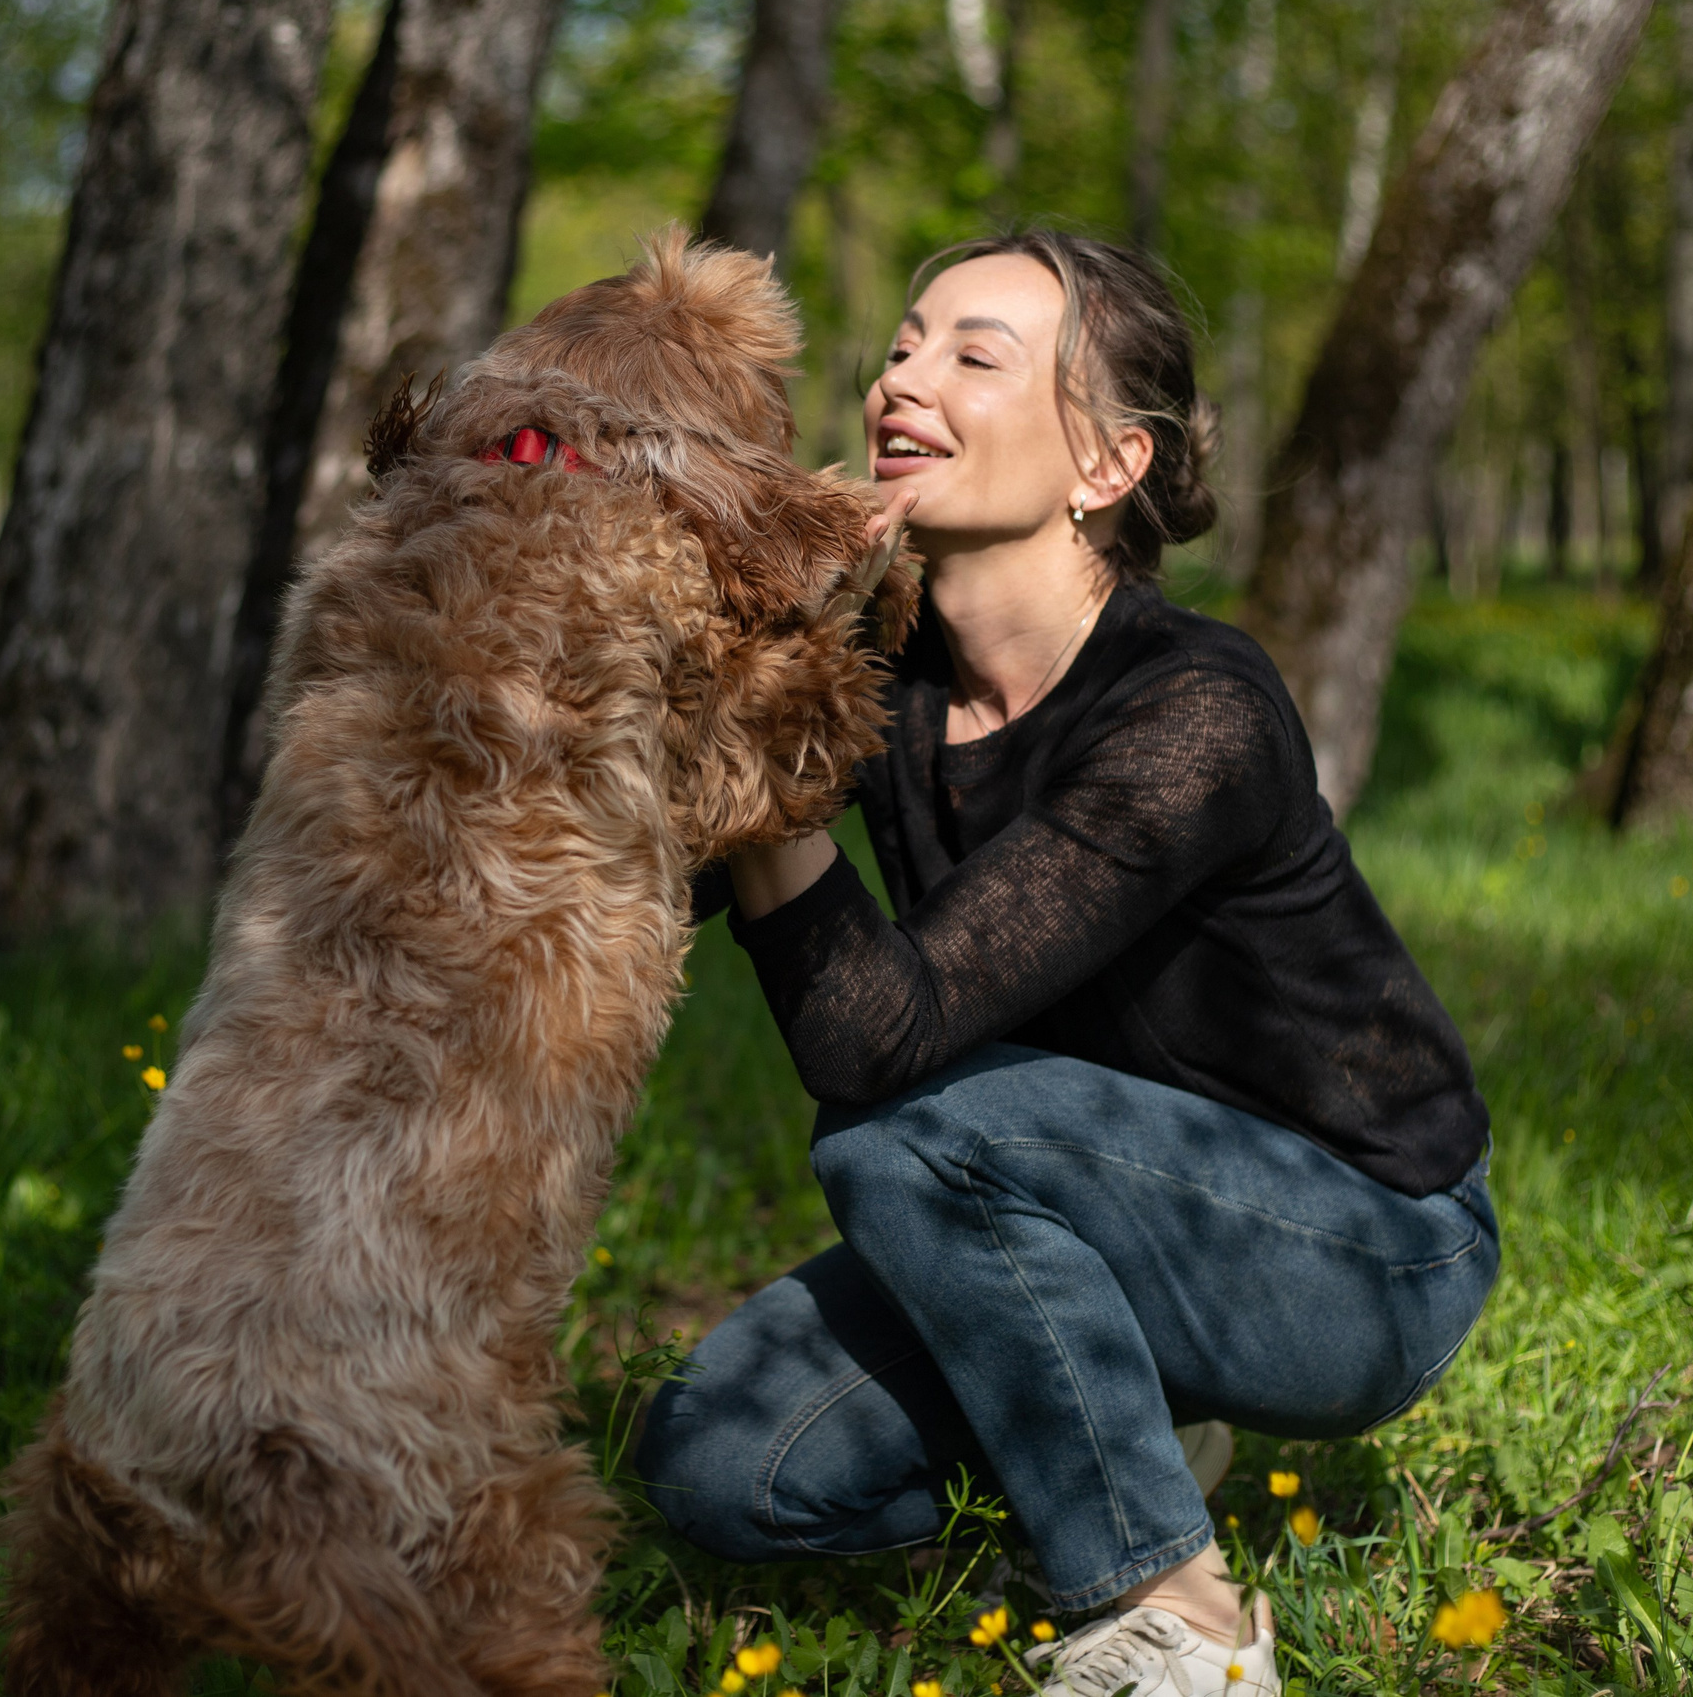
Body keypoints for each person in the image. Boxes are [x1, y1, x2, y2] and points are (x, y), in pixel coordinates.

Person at [636, 230, 1498, 1697]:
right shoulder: (891, 677)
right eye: (906, 343)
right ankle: (1131, 1438)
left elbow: (869, 1042)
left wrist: (758, 758)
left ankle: (1178, 1620)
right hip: (1064, 1208)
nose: (904, 378)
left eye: (977, 356)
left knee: (909, 1121)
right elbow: (654, 884)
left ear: (1108, 466)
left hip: (1361, 1250)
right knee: (721, 1458)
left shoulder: (1196, 712)